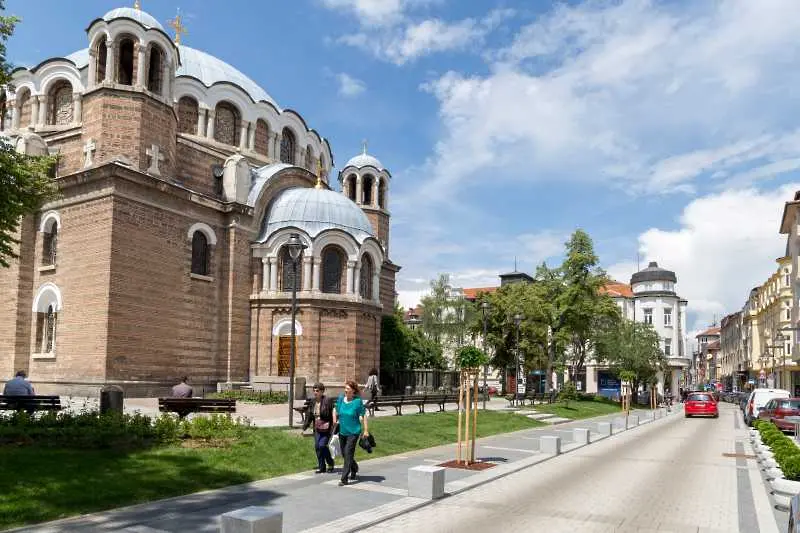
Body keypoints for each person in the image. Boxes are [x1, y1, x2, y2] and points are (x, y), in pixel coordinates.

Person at [333, 380, 369, 486]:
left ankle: (344, 478)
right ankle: (354, 467)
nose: (345, 390)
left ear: (353, 390)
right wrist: (335, 419)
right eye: (345, 388)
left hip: (354, 432)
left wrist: (366, 430)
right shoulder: (341, 399)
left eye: (348, 388)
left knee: (348, 453)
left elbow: (363, 415)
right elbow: (335, 409)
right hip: (342, 431)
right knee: (345, 454)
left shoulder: (357, 402)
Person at [303, 382, 335, 474]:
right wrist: (305, 427)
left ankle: (330, 463)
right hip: (317, 427)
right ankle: (322, 467)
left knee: (322, 445)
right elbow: (309, 415)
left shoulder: (327, 400)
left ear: (322, 391)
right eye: (314, 390)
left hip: (326, 427)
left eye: (317, 391)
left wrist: (333, 425)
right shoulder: (312, 401)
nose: (315, 392)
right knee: (317, 446)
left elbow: (332, 413)